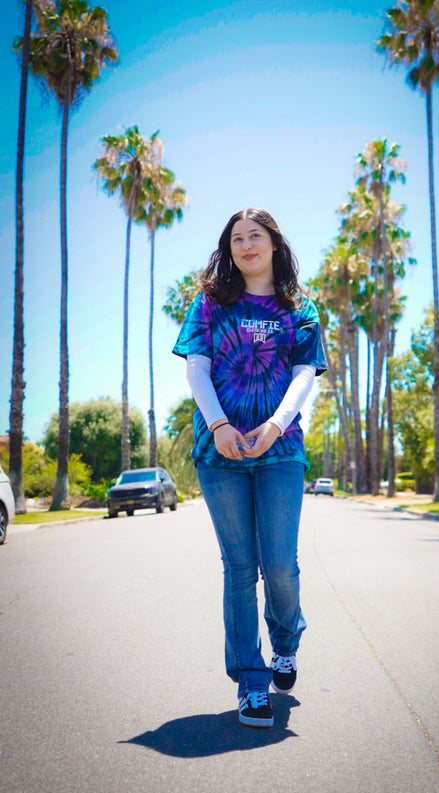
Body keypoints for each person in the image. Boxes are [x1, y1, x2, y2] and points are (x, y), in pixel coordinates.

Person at [172, 208, 327, 728]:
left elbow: (306, 374)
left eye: (254, 236)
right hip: (222, 455)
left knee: (279, 563)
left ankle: (286, 642)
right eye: (236, 238)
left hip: (281, 452)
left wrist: (276, 426)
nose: (245, 245)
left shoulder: (300, 308)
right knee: (239, 568)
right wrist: (219, 425)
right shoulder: (211, 303)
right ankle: (250, 682)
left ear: (275, 245)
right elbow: (197, 367)